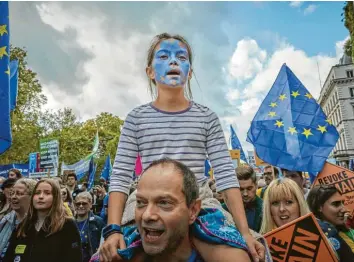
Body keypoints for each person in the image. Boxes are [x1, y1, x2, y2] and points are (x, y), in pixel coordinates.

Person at [101, 33, 263, 262]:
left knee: (238, 257)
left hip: (200, 199)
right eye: (164, 56)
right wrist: (113, 230)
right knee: (115, 256)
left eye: (181, 57)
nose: (173, 61)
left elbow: (226, 175)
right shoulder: (136, 118)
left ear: (190, 72)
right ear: (150, 72)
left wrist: (244, 232)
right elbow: (120, 176)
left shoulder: (207, 117)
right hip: (147, 199)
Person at [3, 179, 82, 262]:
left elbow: (75, 257)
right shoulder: (22, 226)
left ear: (55, 197)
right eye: (37, 193)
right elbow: (8, 257)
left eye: (47, 193)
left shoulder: (67, 225)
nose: (41, 196)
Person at [307, 185, 354, 261]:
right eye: (336, 204)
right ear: (319, 207)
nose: (343, 209)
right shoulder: (313, 239)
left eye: (343, 203)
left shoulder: (346, 231)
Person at [0, 178, 36, 259]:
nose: (13, 197)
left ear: (32, 196)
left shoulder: (38, 223)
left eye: (19, 193)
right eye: (12, 193)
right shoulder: (5, 220)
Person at [225, 166, 263, 233]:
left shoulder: (265, 208)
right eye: (241, 189)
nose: (245, 194)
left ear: (256, 185)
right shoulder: (224, 209)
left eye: (249, 188)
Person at [75, 192, 105, 262]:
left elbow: (105, 241)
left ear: (90, 204)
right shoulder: (70, 223)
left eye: (84, 203)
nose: (81, 206)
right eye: (78, 204)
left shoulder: (98, 222)